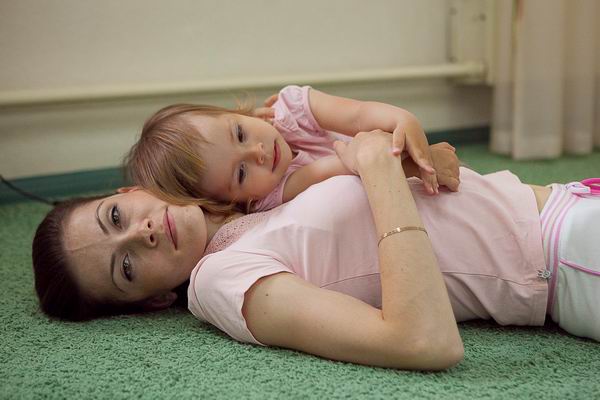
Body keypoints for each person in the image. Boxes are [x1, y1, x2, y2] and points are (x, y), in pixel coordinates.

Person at [32, 136, 600, 370]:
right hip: (568, 257)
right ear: (153, 301)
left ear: (130, 191)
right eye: (126, 266)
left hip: (568, 197)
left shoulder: (247, 199)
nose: (142, 234)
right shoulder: (219, 280)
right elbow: (423, 342)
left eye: (116, 218)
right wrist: (378, 170)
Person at [124, 85, 440, 215]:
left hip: (395, 167)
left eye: (240, 133)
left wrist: (401, 118)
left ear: (239, 114)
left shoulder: (291, 107)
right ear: (234, 202)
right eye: (241, 172)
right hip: (386, 188)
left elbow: (358, 115)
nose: (258, 152)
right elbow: (344, 163)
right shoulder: (269, 198)